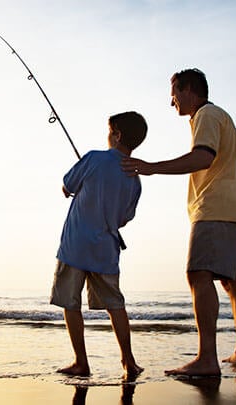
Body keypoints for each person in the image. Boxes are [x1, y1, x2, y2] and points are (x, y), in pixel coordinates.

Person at [121, 68, 236, 377]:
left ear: (189, 90)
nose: (172, 102)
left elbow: (202, 158)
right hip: (235, 211)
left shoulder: (206, 115)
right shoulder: (220, 116)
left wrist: (151, 167)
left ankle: (207, 358)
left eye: (174, 94)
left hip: (214, 208)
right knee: (233, 282)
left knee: (198, 274)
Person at [51, 111, 147, 379]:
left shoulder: (94, 158)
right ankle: (128, 361)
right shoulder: (134, 179)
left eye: (109, 131)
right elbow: (125, 218)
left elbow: (67, 185)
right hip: (106, 249)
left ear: (116, 135)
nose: (107, 136)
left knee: (71, 303)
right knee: (115, 305)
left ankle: (81, 362)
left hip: (75, 245)